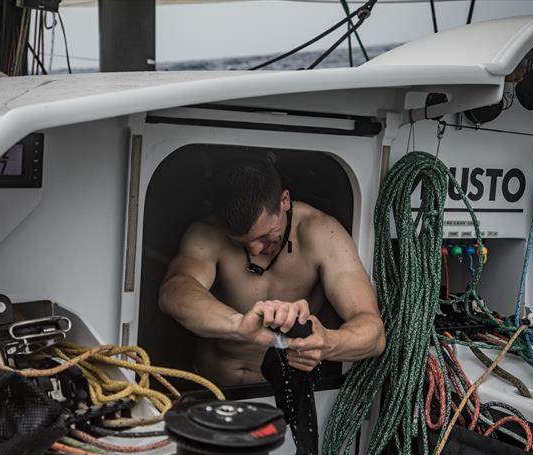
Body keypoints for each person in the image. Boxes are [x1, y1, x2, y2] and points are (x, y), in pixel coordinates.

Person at [159, 155, 385, 386]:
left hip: (283, 393)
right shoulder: (208, 232)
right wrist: (238, 325)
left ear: (284, 200)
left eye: (266, 237)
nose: (256, 251)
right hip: (211, 388)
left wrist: (328, 343)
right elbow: (174, 291)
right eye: (241, 243)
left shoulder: (322, 234)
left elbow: (373, 333)